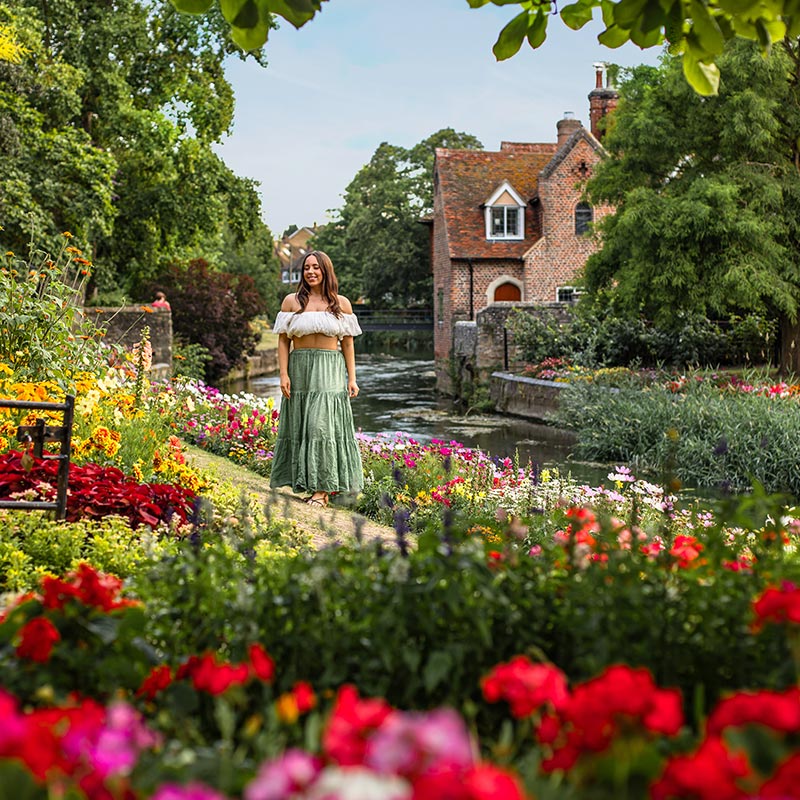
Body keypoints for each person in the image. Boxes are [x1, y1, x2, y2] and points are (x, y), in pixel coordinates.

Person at [269, 250, 363, 507]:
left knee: (320, 427)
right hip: (300, 368)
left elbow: (348, 345)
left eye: (316, 268)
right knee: (302, 425)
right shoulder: (291, 301)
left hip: (329, 370)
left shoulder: (341, 303)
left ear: (325, 271)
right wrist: (283, 374)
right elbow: (282, 341)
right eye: (307, 268)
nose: (311, 272)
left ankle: (322, 491)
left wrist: (351, 378)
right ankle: (304, 483)